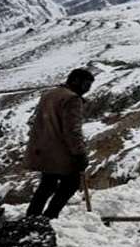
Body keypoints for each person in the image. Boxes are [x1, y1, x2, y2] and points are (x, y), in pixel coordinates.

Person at [25, 68, 94, 219]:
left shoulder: (49, 94)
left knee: (47, 184)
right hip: (61, 152)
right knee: (71, 183)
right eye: (86, 84)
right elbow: (72, 130)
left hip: (43, 149)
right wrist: (79, 153)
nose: (88, 89)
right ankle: (50, 216)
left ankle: (32, 217)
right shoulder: (72, 99)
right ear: (76, 81)